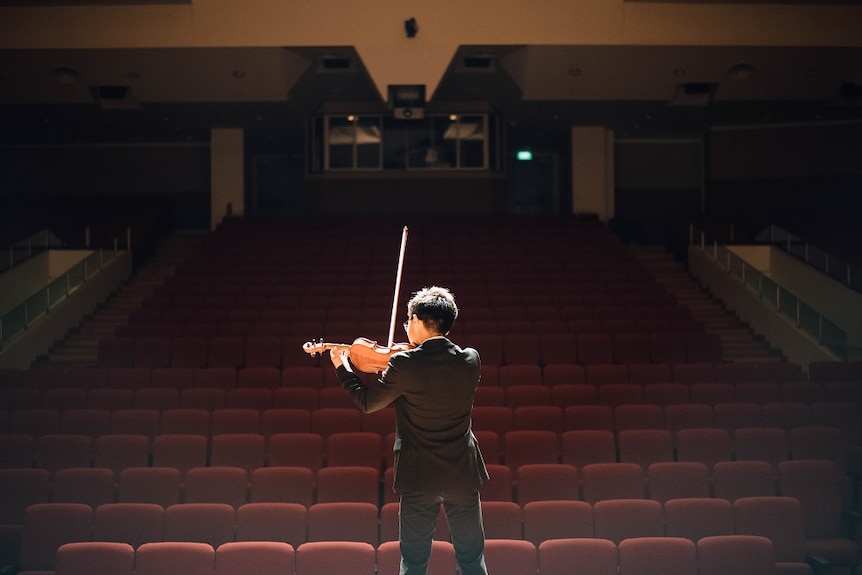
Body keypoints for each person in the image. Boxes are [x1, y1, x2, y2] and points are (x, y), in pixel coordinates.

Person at [330, 285, 489, 575]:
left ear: (416, 320)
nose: (405, 327)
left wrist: (344, 367)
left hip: (419, 476)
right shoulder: (471, 359)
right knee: (472, 560)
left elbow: (367, 402)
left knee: (414, 563)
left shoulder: (403, 364)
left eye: (407, 321)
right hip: (463, 474)